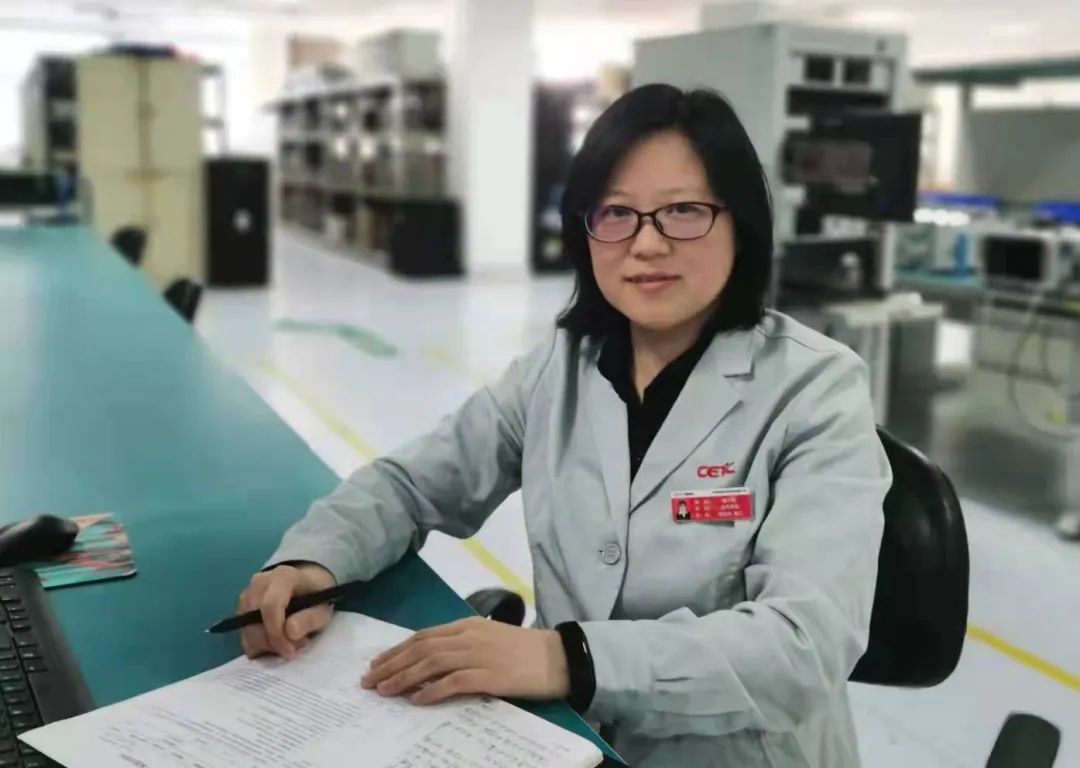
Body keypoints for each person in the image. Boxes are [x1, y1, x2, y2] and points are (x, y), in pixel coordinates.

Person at [237, 84, 890, 768]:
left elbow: (804, 644)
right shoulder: (559, 369)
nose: (646, 243)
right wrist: (314, 561)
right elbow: (412, 485)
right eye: (617, 213)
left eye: (684, 211)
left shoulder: (816, 389)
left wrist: (566, 658)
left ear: (742, 223)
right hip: (567, 740)